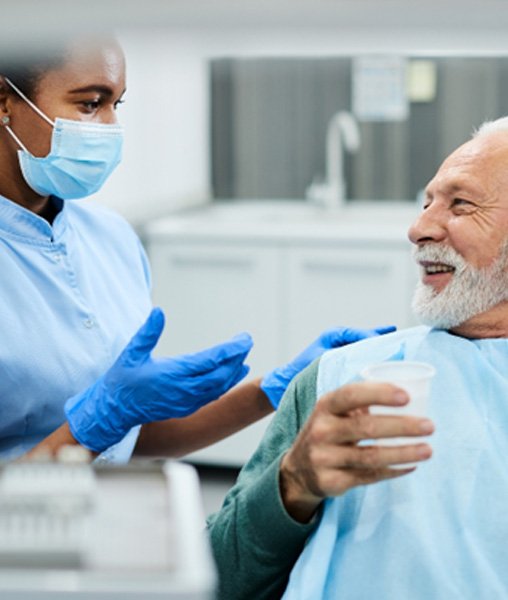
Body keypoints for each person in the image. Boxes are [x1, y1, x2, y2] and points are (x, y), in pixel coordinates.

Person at [0, 35, 394, 463]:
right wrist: (98, 420)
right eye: (91, 104)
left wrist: (277, 387)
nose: (110, 127)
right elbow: (106, 423)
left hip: (111, 510)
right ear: (5, 102)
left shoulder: (110, 238)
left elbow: (135, 434)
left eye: (118, 104)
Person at [207, 116, 508, 599]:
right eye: (426, 201)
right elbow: (217, 578)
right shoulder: (341, 385)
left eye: (461, 204)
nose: (419, 228)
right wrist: (291, 484)